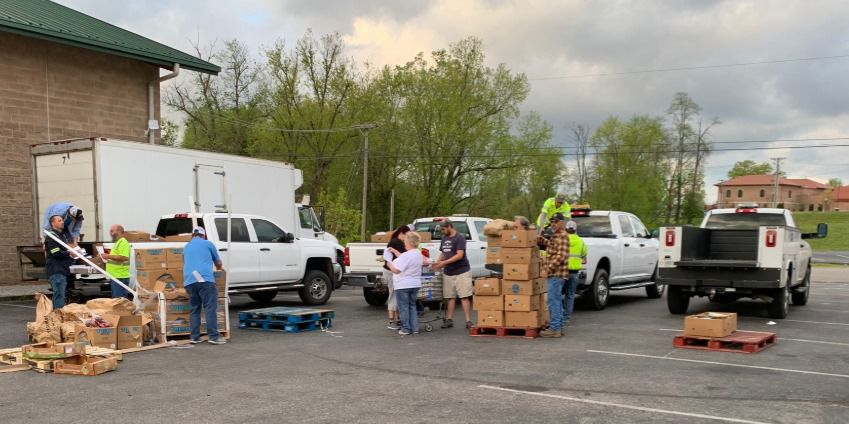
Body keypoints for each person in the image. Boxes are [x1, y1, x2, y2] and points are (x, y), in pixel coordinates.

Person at [183, 227, 226, 345]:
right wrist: (219, 268)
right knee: (209, 308)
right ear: (203, 235)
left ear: (193, 235)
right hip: (205, 280)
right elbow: (218, 262)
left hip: (189, 281)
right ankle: (213, 336)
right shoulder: (208, 244)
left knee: (194, 309)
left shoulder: (186, 247)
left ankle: (195, 337)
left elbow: (186, 262)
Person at [432, 221, 474, 329]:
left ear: (449, 226)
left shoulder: (459, 238)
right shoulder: (444, 238)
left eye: (443, 229)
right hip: (448, 272)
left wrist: (443, 263)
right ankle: (449, 320)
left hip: (462, 271)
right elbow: (443, 252)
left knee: (464, 296)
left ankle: (468, 321)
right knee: (450, 297)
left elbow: (459, 255)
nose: (442, 232)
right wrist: (437, 263)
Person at [537, 213, 570, 338]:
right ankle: (558, 327)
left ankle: (555, 328)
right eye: (552, 222)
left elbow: (561, 256)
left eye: (555, 221)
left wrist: (548, 269)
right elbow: (552, 247)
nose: (553, 224)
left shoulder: (562, 236)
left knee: (553, 301)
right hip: (555, 274)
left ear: (562, 223)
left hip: (556, 274)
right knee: (556, 301)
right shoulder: (556, 236)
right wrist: (541, 240)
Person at [386, 232, 424, 336]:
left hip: (403, 284)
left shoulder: (407, 255)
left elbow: (396, 270)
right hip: (415, 283)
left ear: (409, 242)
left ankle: (406, 328)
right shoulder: (418, 254)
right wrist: (395, 251)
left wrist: (388, 262)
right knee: (412, 306)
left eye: (405, 241)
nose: (404, 243)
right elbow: (405, 258)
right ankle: (414, 328)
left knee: (403, 307)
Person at [44, 215, 77, 309]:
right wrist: (70, 253)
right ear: (53, 223)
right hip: (56, 270)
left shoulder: (61, 236)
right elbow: (56, 253)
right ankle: (58, 315)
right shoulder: (51, 237)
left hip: (62, 270)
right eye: (59, 220)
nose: (62, 222)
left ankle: (59, 314)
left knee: (61, 294)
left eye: (62, 220)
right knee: (59, 294)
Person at [383, 225, 411, 330]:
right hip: (391, 271)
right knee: (394, 294)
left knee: (396, 294)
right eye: (407, 235)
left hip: (394, 271)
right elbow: (405, 257)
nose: (407, 238)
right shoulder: (396, 243)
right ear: (402, 233)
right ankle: (392, 320)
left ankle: (397, 319)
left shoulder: (395, 241)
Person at [563, 220, 587, 324]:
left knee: (558, 295)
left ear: (566, 229)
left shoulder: (563, 240)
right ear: (575, 230)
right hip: (574, 273)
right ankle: (567, 317)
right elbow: (584, 259)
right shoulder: (582, 242)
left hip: (562, 272)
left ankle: (557, 315)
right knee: (570, 295)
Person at [101, 225, 131, 299]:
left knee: (119, 302)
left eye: (112, 231)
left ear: (119, 231)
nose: (111, 233)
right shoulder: (117, 243)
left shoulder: (123, 243)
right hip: (116, 276)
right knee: (118, 301)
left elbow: (124, 257)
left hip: (120, 277)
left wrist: (108, 256)